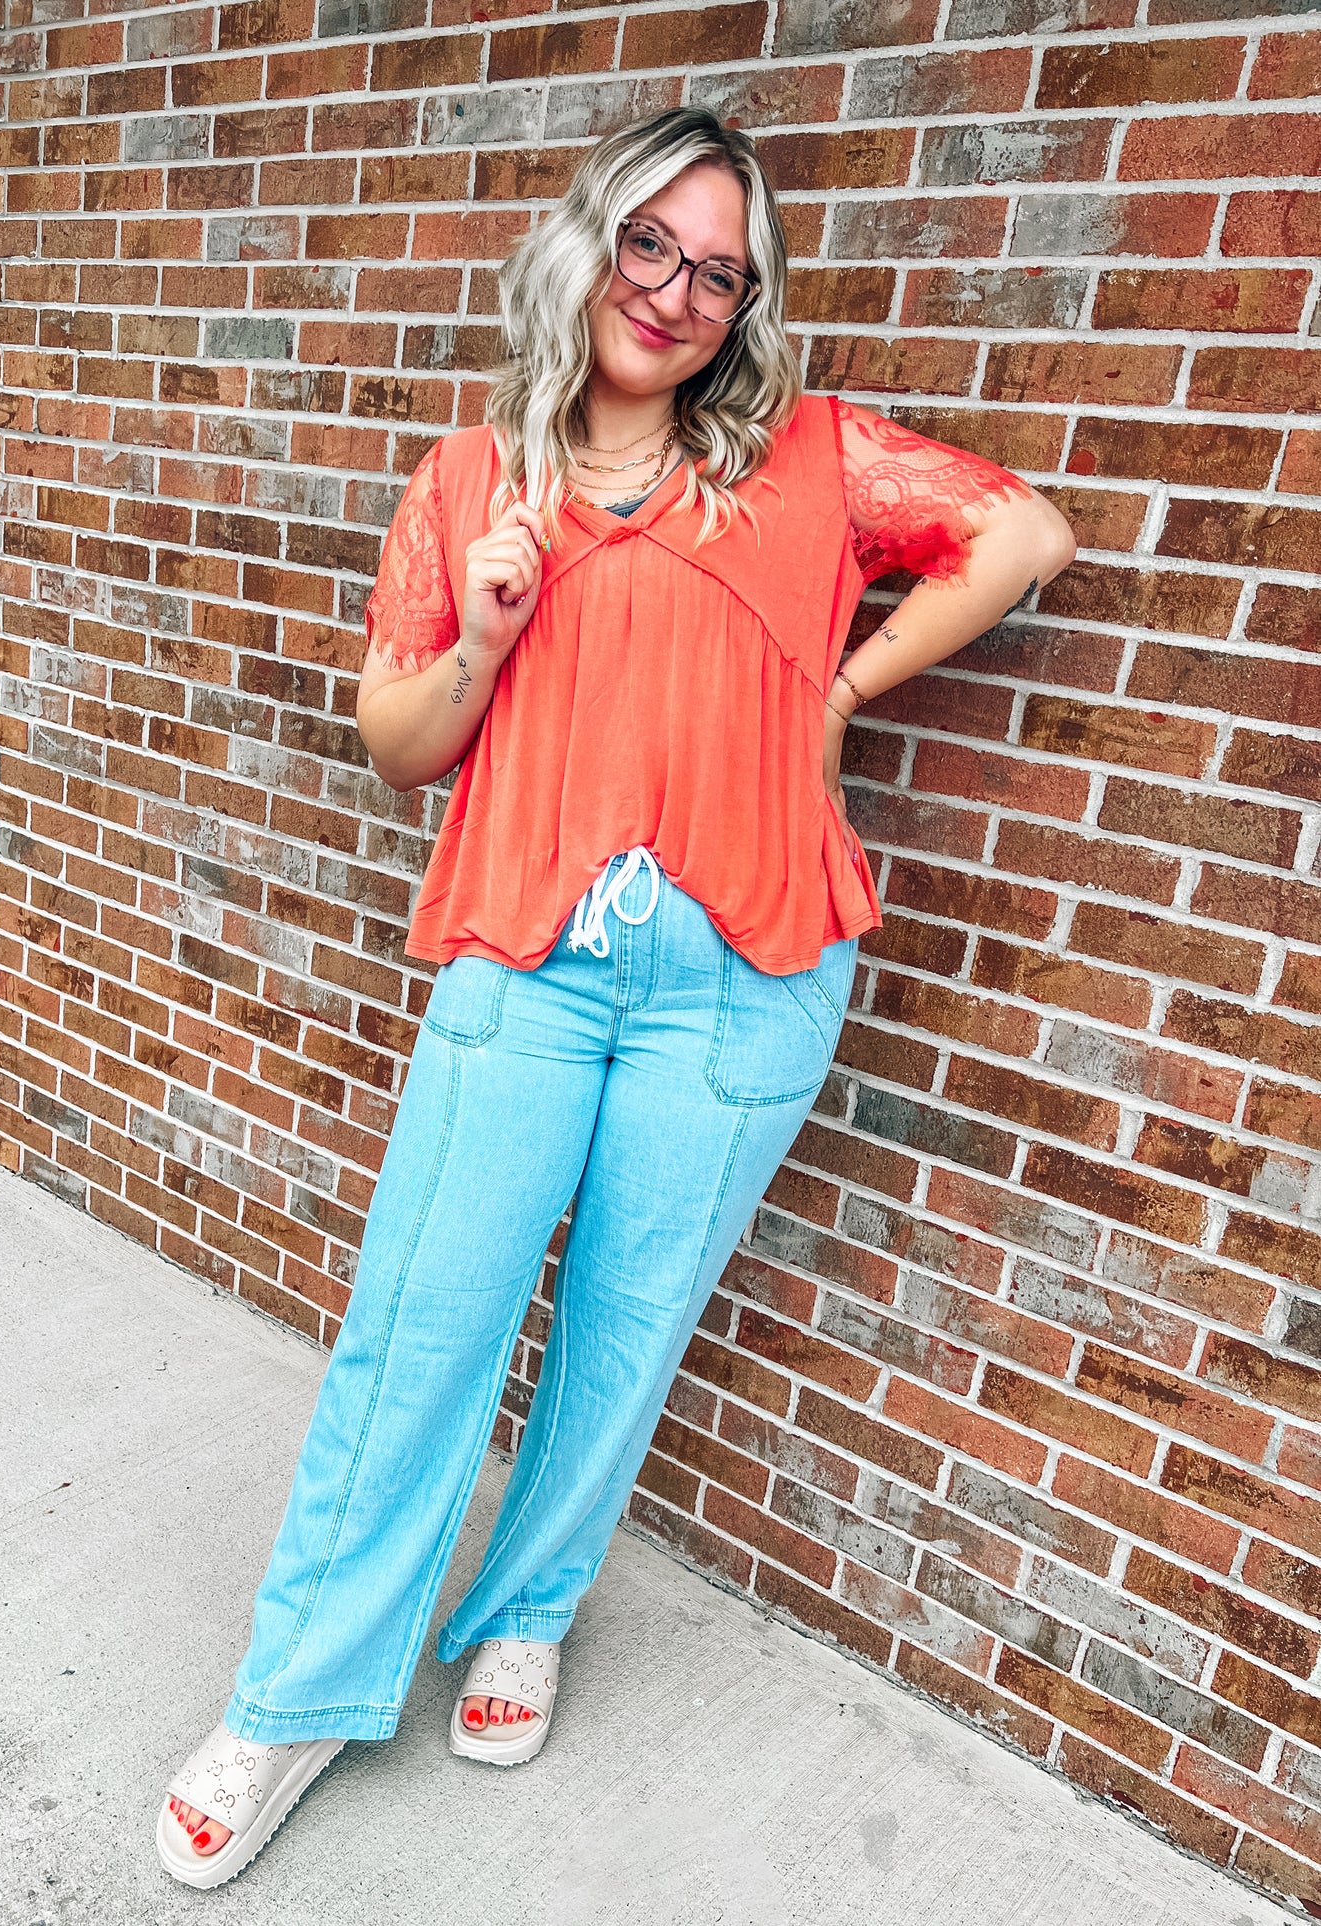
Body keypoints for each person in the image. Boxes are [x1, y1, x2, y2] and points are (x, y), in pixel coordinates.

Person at [155, 105, 1076, 1888]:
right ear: (588, 244)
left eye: (717, 271)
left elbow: (1019, 531)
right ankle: (291, 1697)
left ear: (746, 306)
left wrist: (841, 688)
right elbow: (394, 748)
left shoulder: (806, 457)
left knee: (626, 1323)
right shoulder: (464, 485)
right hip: (529, 960)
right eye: (649, 244)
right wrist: (488, 633)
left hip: (744, 977)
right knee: (421, 1323)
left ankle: (527, 1608)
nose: (674, 291)